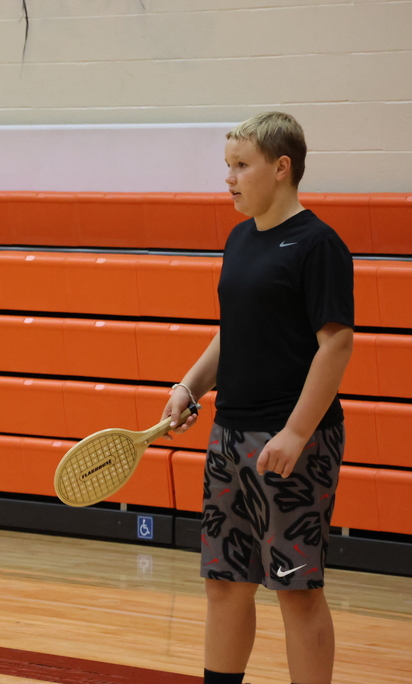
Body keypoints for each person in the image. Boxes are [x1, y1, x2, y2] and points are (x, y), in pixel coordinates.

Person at [161, 112, 354, 684]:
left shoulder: (318, 245)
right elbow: (233, 329)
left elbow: (337, 344)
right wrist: (188, 386)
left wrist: (296, 434)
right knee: (224, 583)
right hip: (229, 439)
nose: (230, 178)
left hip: (293, 444)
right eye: (228, 166)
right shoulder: (239, 239)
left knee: (296, 591)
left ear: (281, 167)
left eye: (241, 166)